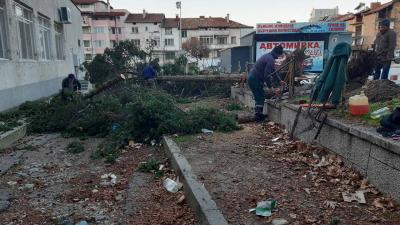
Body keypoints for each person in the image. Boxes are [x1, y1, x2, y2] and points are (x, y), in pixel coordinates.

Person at [248, 45, 285, 122]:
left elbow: (273, 72)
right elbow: (267, 75)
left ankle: (259, 114)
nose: (278, 57)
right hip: (255, 79)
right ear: (277, 53)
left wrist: (279, 80)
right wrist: (270, 87)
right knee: (260, 97)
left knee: (260, 96)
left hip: (254, 78)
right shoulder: (270, 59)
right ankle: (258, 117)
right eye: (279, 55)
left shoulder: (268, 57)